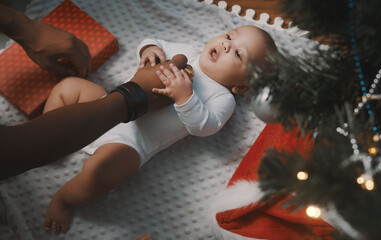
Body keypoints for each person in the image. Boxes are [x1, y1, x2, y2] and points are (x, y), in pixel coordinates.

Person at [41, 25, 277, 234]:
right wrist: (150, 51)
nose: (226, 45)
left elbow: (205, 127)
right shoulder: (188, 52)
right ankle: (49, 141)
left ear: (241, 86)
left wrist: (186, 97)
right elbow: (153, 42)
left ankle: (64, 199)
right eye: (229, 36)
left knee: (102, 176)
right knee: (69, 87)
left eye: (238, 54)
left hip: (131, 143)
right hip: (105, 103)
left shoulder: (223, 98)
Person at [0, 3, 166, 180]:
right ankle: (63, 199)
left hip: (133, 142)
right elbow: (156, 44)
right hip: (125, 137)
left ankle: (54, 139)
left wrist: (21, 27)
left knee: (71, 87)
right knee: (96, 176)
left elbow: (199, 126)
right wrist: (148, 53)